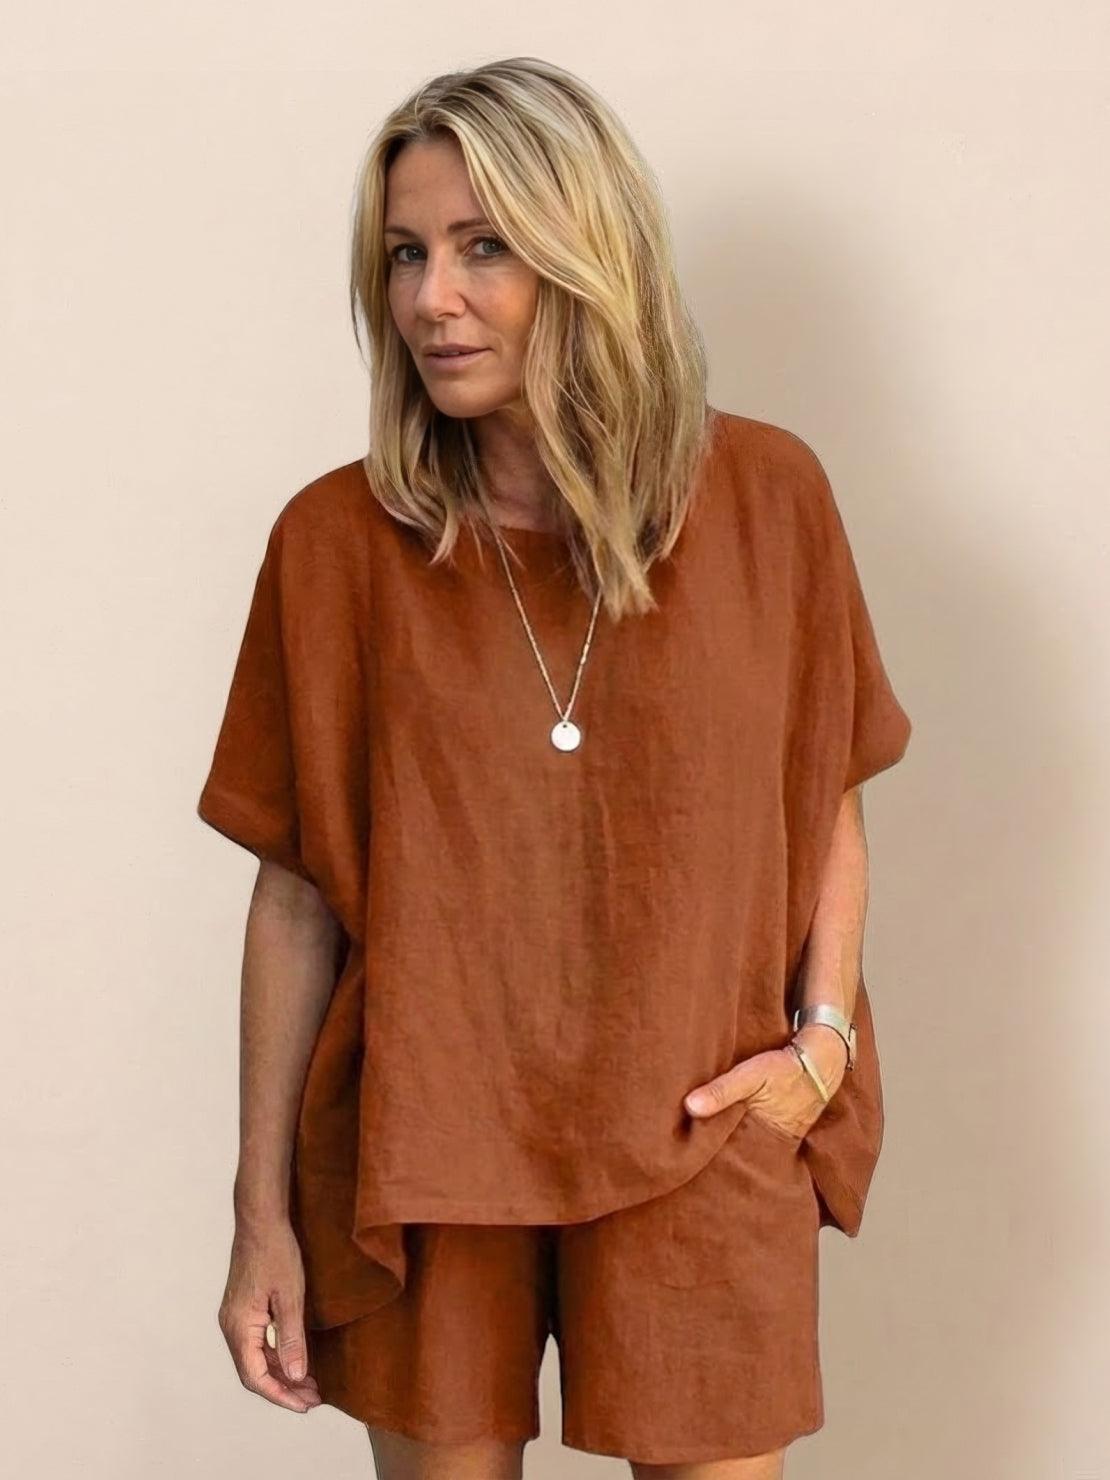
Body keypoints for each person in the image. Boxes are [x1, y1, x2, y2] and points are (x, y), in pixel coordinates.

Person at [196, 55, 912, 1480]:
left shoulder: (767, 500)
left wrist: (820, 1045)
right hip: (425, 1139)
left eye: (485, 249)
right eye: (404, 254)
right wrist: (260, 1214)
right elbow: (296, 897)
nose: (430, 299)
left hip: (700, 1116)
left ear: (590, 261)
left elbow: (824, 789)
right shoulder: (335, 544)